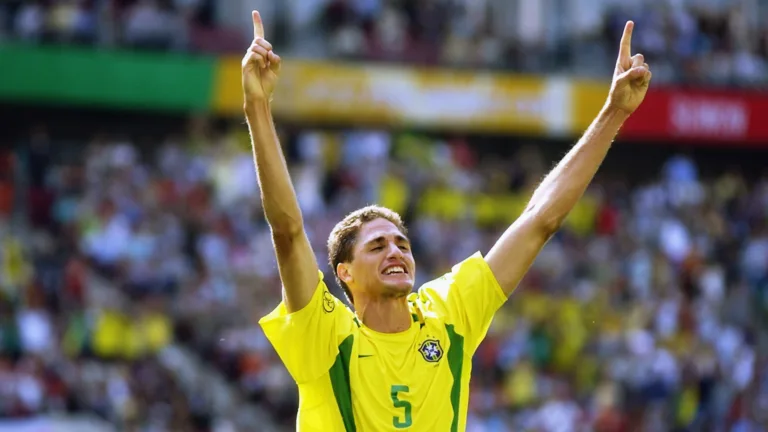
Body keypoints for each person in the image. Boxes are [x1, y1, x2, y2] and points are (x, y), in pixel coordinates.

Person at [242, 10, 651, 431]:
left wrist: (613, 112)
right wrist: (257, 105)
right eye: (377, 245)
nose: (396, 251)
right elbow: (288, 231)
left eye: (402, 243)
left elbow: (539, 220)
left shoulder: (447, 314)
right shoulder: (326, 336)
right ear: (344, 272)